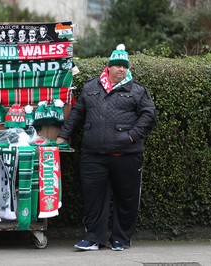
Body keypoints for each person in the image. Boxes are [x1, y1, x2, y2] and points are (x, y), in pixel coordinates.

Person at [56, 44, 156, 251]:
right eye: (117, 65)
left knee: (126, 198)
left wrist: (131, 136)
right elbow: (76, 114)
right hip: (94, 154)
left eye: (124, 67)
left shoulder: (137, 90)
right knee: (94, 198)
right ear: (108, 67)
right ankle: (93, 238)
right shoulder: (91, 87)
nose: (121, 69)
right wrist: (63, 136)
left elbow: (149, 115)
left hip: (127, 154)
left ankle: (121, 239)